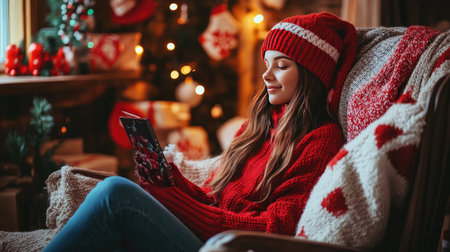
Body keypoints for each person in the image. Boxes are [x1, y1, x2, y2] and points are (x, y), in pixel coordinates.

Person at [43, 12, 357, 252]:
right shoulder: (256, 127)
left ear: (311, 72)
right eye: (266, 63)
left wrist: (173, 201)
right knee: (117, 202)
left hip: (227, 245)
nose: (266, 74)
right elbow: (216, 201)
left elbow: (275, 227)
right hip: (206, 235)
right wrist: (171, 182)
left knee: (116, 194)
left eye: (282, 65)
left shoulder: (320, 140)